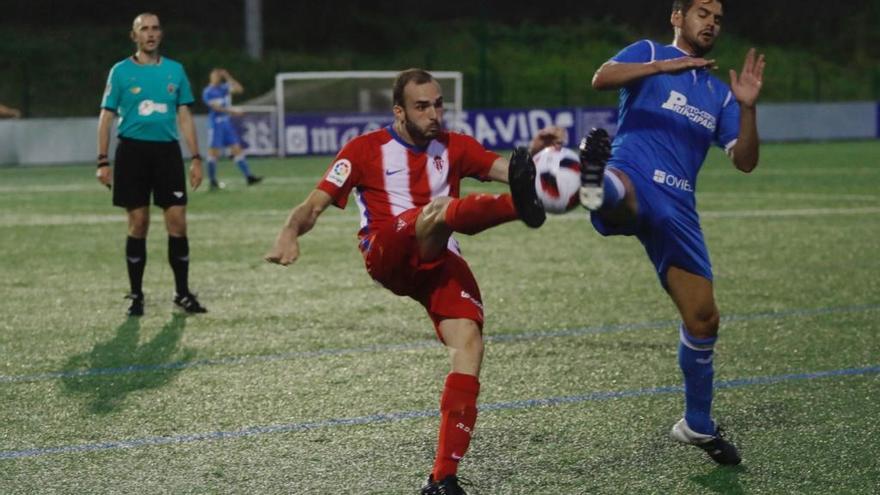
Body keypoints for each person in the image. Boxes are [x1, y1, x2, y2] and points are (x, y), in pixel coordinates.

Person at [266, 68, 551, 494]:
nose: (434, 113)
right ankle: (518, 211)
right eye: (423, 106)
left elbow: (509, 169)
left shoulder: (457, 146)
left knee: (469, 344)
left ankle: (442, 478)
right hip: (387, 251)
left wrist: (543, 164)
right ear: (399, 111)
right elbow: (314, 204)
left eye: (438, 104)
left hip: (437, 256)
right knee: (437, 209)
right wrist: (289, 233)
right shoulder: (364, 149)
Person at [576, 0, 765, 465]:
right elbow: (601, 77)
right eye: (702, 13)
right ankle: (592, 184)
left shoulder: (720, 95)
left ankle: (696, 424)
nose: (711, 24)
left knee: (704, 320)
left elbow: (744, 161)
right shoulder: (647, 52)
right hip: (634, 173)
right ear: (678, 17)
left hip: (679, 208)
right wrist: (663, 65)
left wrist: (746, 109)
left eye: (718, 18)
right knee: (618, 191)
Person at [97, 12, 207, 316]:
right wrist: (103, 160)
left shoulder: (175, 70)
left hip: (167, 154)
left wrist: (196, 157)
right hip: (132, 153)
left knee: (178, 222)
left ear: (161, 34)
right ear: (134, 36)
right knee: (139, 223)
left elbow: (184, 116)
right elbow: (106, 117)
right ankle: (136, 295)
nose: (150, 33)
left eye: (155, 28)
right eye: (143, 29)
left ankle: (182, 293)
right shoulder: (119, 72)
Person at [202, 68, 262, 189]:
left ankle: (249, 177)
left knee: (237, 149)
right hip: (216, 125)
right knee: (214, 154)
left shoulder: (223, 88)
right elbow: (216, 108)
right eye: (215, 76)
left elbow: (240, 89)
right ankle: (212, 181)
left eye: (219, 76)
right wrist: (233, 111)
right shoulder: (208, 91)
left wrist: (228, 76)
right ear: (211, 77)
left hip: (226, 124)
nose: (217, 78)